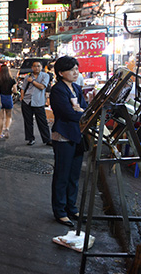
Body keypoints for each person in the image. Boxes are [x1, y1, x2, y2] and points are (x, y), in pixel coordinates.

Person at [49, 56, 88, 227]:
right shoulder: (58, 90)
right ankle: (60, 211)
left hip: (78, 136)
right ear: (60, 73)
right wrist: (81, 113)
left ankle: (71, 207)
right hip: (63, 136)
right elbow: (66, 113)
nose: (75, 72)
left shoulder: (77, 88)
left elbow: (85, 109)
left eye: (76, 69)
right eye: (71, 69)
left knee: (74, 175)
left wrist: (81, 112)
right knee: (62, 175)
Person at [21, 60, 52, 146]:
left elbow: (42, 87)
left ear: (41, 67)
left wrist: (33, 81)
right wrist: (22, 98)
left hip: (39, 102)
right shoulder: (28, 76)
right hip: (27, 101)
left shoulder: (45, 76)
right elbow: (23, 88)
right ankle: (30, 138)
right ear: (32, 68)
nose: (36, 68)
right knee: (28, 121)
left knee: (42, 121)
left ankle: (47, 139)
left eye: (38, 66)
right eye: (35, 66)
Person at [0, 64, 17, 139]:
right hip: (8, 98)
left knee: (0, 117)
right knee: (9, 116)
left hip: (0, 98)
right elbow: (15, 90)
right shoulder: (12, 80)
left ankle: (0, 133)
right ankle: (7, 129)